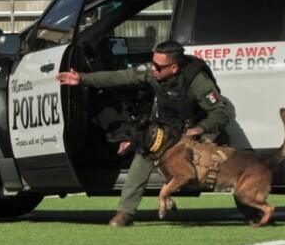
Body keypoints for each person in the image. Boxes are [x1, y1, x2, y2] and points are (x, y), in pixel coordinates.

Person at [56, 40, 230, 227]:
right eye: (152, 63)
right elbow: (120, 77)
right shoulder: (152, 72)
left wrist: (199, 129)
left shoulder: (197, 81)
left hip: (195, 129)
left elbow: (220, 112)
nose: (152, 68)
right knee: (142, 157)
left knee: (203, 158)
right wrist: (82, 78)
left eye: (158, 66)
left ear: (173, 67)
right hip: (168, 129)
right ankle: (125, 212)